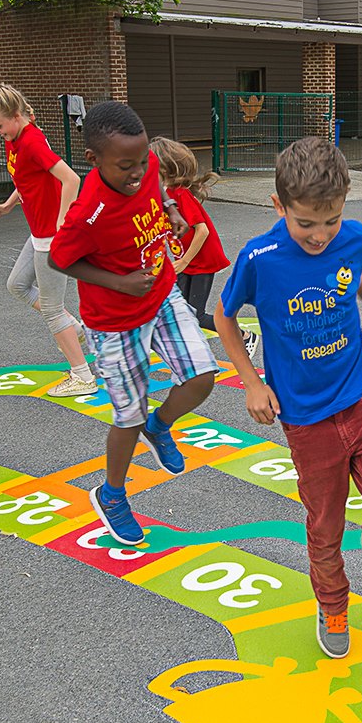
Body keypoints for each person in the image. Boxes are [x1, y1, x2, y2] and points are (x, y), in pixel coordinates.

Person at [214, 137, 362, 660]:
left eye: (331, 220)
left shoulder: (354, 237)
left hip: (360, 395)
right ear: (279, 207)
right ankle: (332, 603)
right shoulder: (260, 258)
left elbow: (345, 266)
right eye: (305, 224)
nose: (320, 235)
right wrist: (253, 383)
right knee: (324, 524)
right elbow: (224, 316)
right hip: (305, 419)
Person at [48, 102, 217, 546]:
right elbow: (60, 259)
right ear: (94, 161)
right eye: (126, 167)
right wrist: (118, 282)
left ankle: (160, 427)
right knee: (128, 414)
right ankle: (112, 494)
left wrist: (170, 209)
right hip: (114, 319)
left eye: (142, 161)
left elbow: (156, 185)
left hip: (161, 294)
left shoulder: (148, 163)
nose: (138, 172)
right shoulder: (89, 212)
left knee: (201, 378)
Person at [0, 83, 97, 397]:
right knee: (17, 285)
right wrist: (8, 204)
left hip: (51, 236)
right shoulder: (15, 137)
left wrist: (62, 221)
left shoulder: (30, 141)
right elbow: (28, 179)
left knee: (52, 309)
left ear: (16, 116)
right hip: (39, 232)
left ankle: (82, 375)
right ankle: (79, 331)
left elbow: (71, 178)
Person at [148, 136, 261, 361]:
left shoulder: (179, 194)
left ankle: (245, 336)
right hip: (185, 261)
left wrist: (184, 261)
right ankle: (184, 351)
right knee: (178, 307)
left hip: (201, 261)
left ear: (163, 167)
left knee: (196, 314)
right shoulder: (163, 194)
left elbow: (202, 231)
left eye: (150, 165)